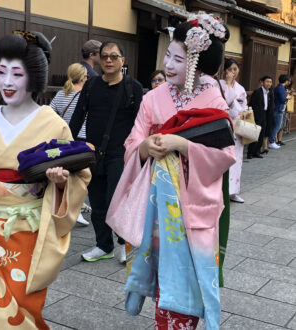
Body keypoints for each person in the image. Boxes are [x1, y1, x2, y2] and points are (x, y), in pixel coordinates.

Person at [0, 31, 90, 329]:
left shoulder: (53, 124)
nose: (7, 82)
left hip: (29, 234)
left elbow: (78, 177)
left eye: (17, 74)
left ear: (33, 78)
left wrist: (61, 183)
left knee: (22, 307)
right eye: (1, 72)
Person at [119, 13, 235, 330]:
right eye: (168, 55)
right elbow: (132, 141)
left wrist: (181, 145)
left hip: (189, 212)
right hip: (155, 210)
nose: (168, 65)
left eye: (179, 59)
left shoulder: (214, 100)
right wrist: (144, 149)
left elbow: (224, 156)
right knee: (160, 279)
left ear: (198, 64)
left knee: (182, 286)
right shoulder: (152, 98)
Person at [70, 41, 144, 263]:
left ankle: (123, 242)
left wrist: (137, 151)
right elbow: (77, 118)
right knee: (97, 202)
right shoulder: (91, 86)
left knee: (117, 200)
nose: (108, 60)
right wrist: (68, 144)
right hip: (92, 153)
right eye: (104, 57)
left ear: (123, 60)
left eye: (113, 56)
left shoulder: (133, 88)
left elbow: (141, 123)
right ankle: (104, 245)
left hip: (120, 154)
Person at [50, 63, 90, 226]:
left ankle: (70, 208)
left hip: (66, 140)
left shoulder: (61, 94)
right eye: (86, 76)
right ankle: (76, 210)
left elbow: (50, 113)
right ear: (82, 77)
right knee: (81, 178)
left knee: (69, 176)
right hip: (82, 140)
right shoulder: (86, 95)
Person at [220, 58, 249, 203]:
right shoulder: (218, 85)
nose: (233, 72)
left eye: (235, 69)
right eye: (230, 69)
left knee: (236, 158)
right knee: (221, 157)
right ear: (225, 70)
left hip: (236, 127)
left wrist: (244, 113)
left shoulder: (241, 89)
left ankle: (233, 191)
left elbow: (243, 107)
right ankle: (220, 191)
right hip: (222, 125)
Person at [248, 75, 274, 158]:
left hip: (265, 115)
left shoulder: (270, 93)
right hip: (257, 115)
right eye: (267, 82)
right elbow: (251, 104)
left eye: (270, 82)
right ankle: (250, 153)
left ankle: (257, 152)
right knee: (255, 134)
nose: (269, 84)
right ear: (262, 82)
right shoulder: (257, 92)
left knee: (262, 134)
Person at [269, 74, 291, 149]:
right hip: (278, 109)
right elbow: (282, 100)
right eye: (288, 80)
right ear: (286, 81)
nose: (289, 82)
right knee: (277, 127)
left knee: (275, 126)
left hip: (276, 109)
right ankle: (271, 142)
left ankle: (272, 141)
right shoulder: (281, 88)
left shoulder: (279, 87)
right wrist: (288, 97)